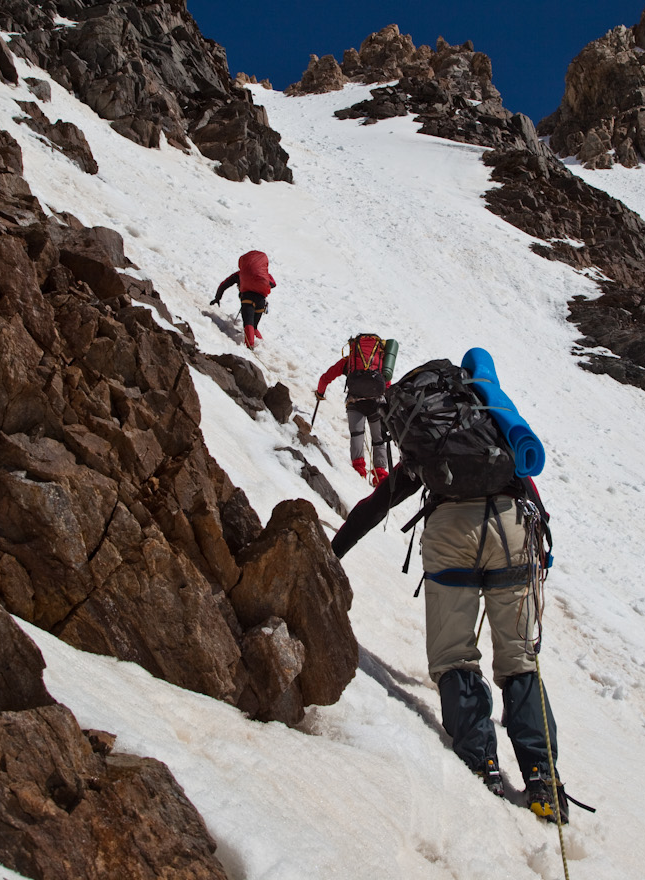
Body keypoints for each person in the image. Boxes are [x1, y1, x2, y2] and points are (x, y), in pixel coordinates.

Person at [329, 394, 567, 822]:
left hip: (451, 536)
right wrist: (541, 537)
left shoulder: (432, 441)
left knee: (454, 654)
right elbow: (529, 485)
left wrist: (334, 551)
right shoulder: (499, 428)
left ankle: (482, 764)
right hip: (512, 531)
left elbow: (377, 504)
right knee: (519, 660)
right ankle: (542, 779)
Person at [315, 333, 392, 486]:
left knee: (357, 434)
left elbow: (326, 377)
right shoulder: (381, 362)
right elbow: (387, 385)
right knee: (378, 440)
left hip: (355, 402)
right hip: (377, 404)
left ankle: (359, 471)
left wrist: (320, 393)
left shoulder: (350, 361)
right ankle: (380, 476)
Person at [210, 250, 275, 349]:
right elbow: (273, 284)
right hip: (261, 301)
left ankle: (250, 347)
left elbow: (224, 285)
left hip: (247, 299)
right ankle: (262, 348)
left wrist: (217, 298)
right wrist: (261, 282)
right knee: (255, 326)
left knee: (248, 323)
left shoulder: (240, 274)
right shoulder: (264, 275)